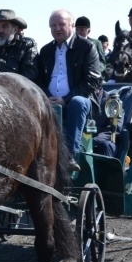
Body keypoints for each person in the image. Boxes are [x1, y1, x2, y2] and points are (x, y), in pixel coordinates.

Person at [34, 9, 101, 171]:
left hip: (79, 100)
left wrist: (66, 99)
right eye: (53, 25)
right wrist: (47, 97)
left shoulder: (86, 47)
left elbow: (93, 80)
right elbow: (38, 80)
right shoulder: (45, 51)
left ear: (72, 25)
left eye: (61, 24)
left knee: (77, 103)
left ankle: (70, 157)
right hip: (50, 100)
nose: (57, 28)